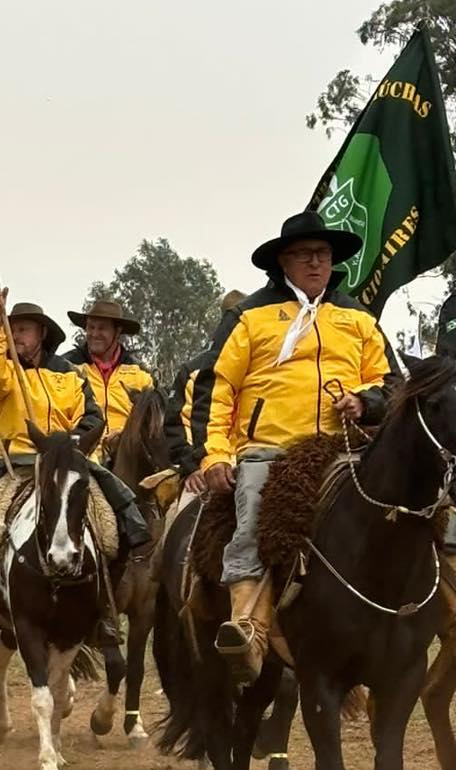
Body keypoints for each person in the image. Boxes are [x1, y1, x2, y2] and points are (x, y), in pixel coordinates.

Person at [192, 210, 398, 682]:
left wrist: (366, 402)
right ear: (283, 261)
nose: (315, 263)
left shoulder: (359, 317)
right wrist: (217, 455)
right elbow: (215, 389)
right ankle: (249, 627)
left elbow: (388, 383)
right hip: (270, 448)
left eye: (322, 255)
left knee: (401, 513)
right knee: (252, 522)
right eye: (305, 255)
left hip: (344, 448)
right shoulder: (250, 317)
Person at [0, 279, 150, 640]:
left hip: (68, 462)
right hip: (11, 464)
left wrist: (70, 443)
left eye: (22, 329)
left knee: (120, 520)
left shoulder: (68, 373)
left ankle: (104, 609)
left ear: (41, 334)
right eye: (13, 329)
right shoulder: (4, 369)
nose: (17, 336)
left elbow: (92, 417)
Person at [164, 290, 248, 512]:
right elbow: (177, 426)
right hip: (203, 467)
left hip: (251, 459)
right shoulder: (192, 371)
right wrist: (192, 467)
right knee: (180, 516)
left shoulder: (264, 365)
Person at [64, 299, 153, 456]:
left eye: (102, 328)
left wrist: (124, 436)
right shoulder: (67, 367)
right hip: (82, 454)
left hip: (129, 455)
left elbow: (153, 421)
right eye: (90, 327)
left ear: (117, 332)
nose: (94, 334)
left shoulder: (141, 373)